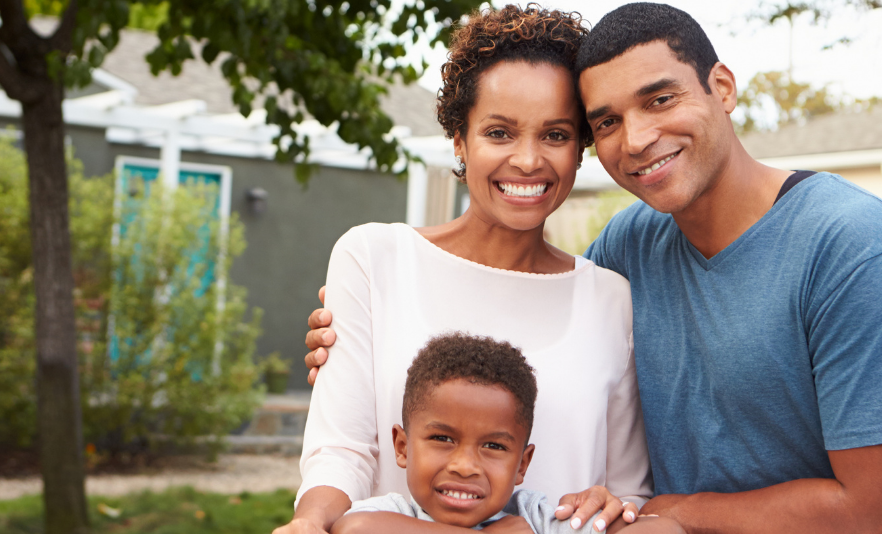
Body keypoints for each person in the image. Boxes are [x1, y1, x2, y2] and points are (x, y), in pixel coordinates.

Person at [304, 3, 882, 533]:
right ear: (459, 140)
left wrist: (668, 511)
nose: (637, 138)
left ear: (722, 88)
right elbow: (529, 343)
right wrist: (360, 348)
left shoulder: (863, 252)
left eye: (660, 99)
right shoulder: (630, 251)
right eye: (608, 120)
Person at [275, 5, 652, 534]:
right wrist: (311, 523)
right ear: (460, 140)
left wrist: (610, 503)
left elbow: (630, 488)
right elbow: (343, 447)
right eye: (499, 133)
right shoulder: (373, 259)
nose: (527, 160)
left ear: (580, 149)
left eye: (555, 134)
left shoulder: (613, 299)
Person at [332, 333, 681, 534]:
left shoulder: (535, 520)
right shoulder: (396, 516)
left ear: (521, 465)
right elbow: (354, 529)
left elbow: (665, 531)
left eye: (494, 446)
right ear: (403, 446)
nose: (465, 465)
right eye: (443, 438)